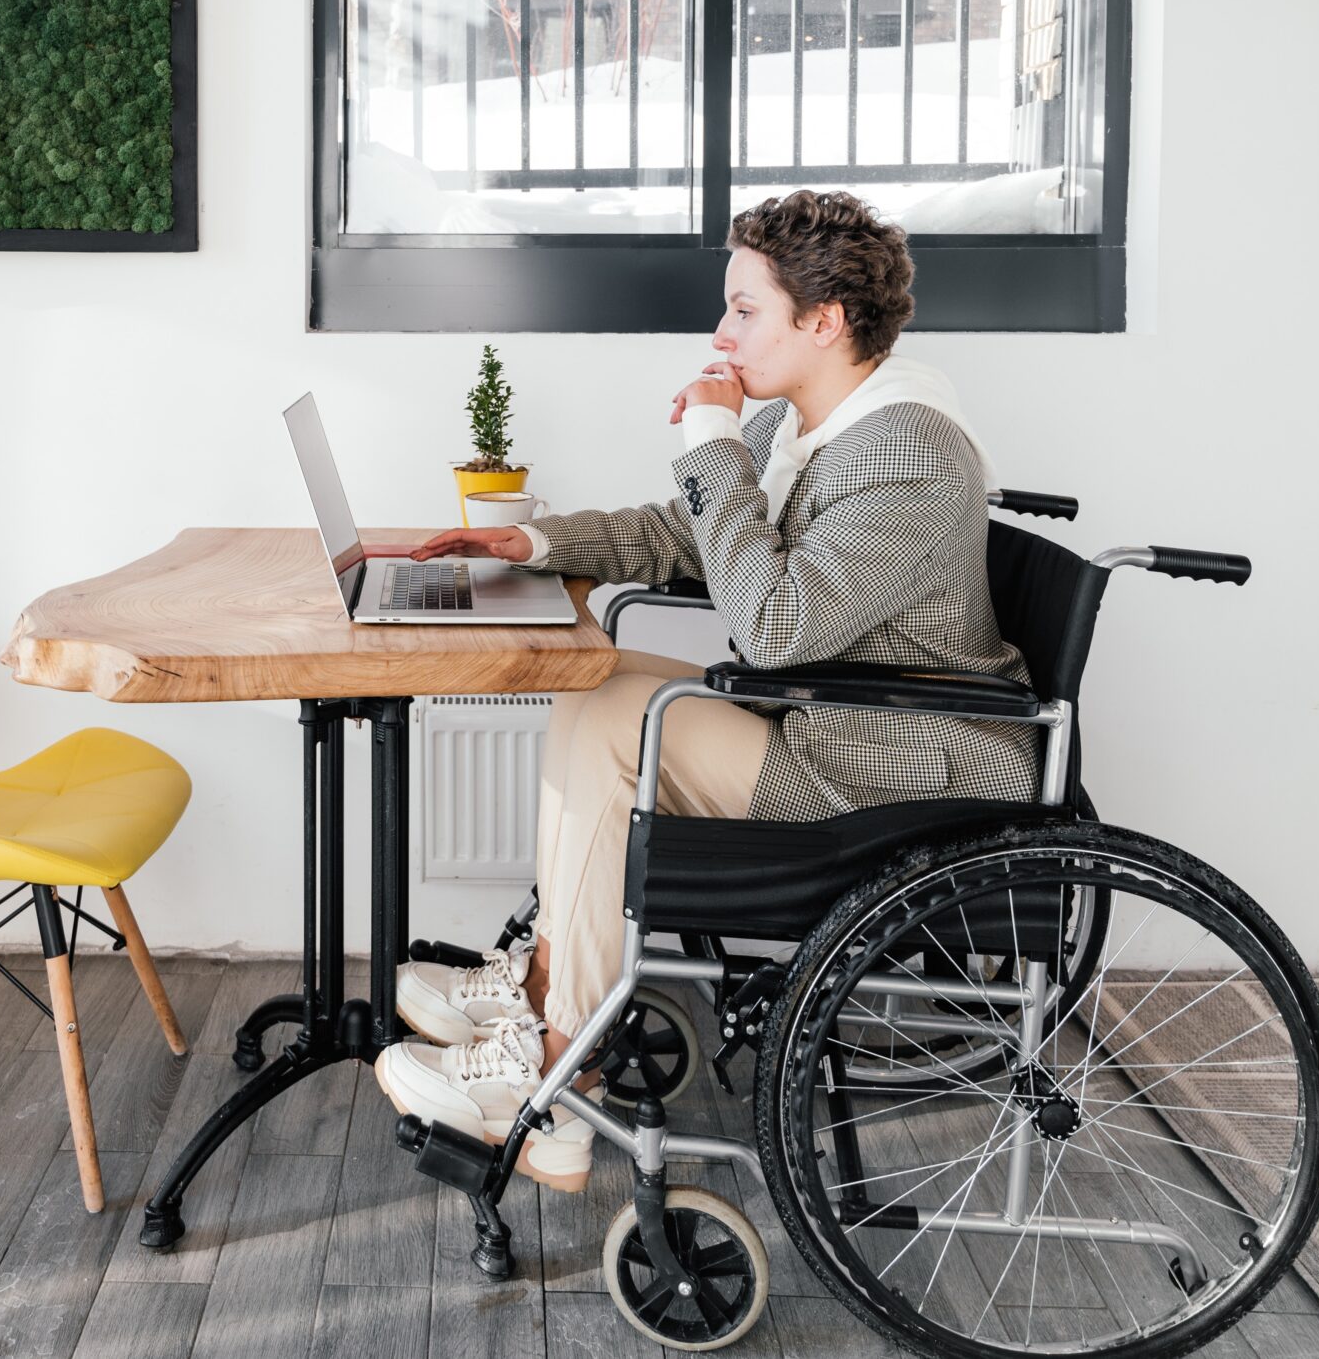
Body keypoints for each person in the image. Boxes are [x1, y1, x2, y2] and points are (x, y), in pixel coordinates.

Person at [371, 189, 1039, 1192]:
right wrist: (537, 542)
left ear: (822, 322)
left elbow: (774, 628)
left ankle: (551, 1080)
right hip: (836, 721)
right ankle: (550, 981)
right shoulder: (825, 425)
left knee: (614, 727)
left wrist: (715, 447)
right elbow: (702, 542)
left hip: (899, 766)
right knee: (592, 681)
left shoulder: (903, 451)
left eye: (742, 309)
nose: (719, 332)